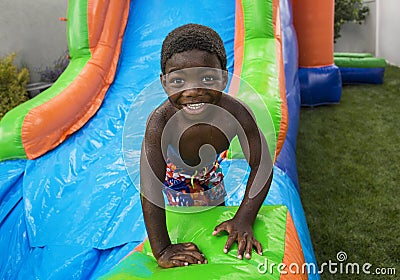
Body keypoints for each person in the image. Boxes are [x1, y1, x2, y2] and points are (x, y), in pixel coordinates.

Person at [140, 23, 273, 268]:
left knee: (215, 224)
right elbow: (150, 188)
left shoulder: (237, 114)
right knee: (183, 222)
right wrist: (162, 249)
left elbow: (263, 165)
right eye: (179, 81)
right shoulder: (160, 123)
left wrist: (244, 219)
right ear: (164, 83)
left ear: (223, 78)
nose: (193, 91)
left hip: (211, 175)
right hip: (173, 181)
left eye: (207, 78)